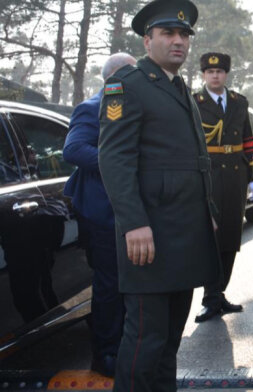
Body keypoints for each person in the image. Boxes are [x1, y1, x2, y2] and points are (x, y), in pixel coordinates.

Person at [98, 0, 221, 392]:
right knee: (145, 342)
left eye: (184, 34)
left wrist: (208, 211)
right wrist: (133, 223)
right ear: (147, 40)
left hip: (183, 232)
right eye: (168, 33)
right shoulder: (127, 85)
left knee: (169, 342)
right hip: (148, 235)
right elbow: (114, 159)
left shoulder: (178, 86)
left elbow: (193, 160)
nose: (179, 41)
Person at [63, 53, 136, 377]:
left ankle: (125, 349)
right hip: (102, 212)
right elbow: (74, 149)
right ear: (117, 77)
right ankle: (106, 354)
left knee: (128, 285)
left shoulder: (127, 107)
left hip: (126, 210)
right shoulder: (92, 107)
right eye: (133, 74)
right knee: (110, 285)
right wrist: (119, 161)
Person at [193, 52, 253, 323]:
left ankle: (219, 294)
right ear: (203, 75)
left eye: (219, 72)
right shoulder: (194, 102)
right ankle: (210, 297)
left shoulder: (240, 102)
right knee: (211, 238)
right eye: (210, 72)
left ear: (226, 74)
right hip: (209, 175)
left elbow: (248, 140)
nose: (215, 76)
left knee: (231, 236)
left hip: (236, 176)